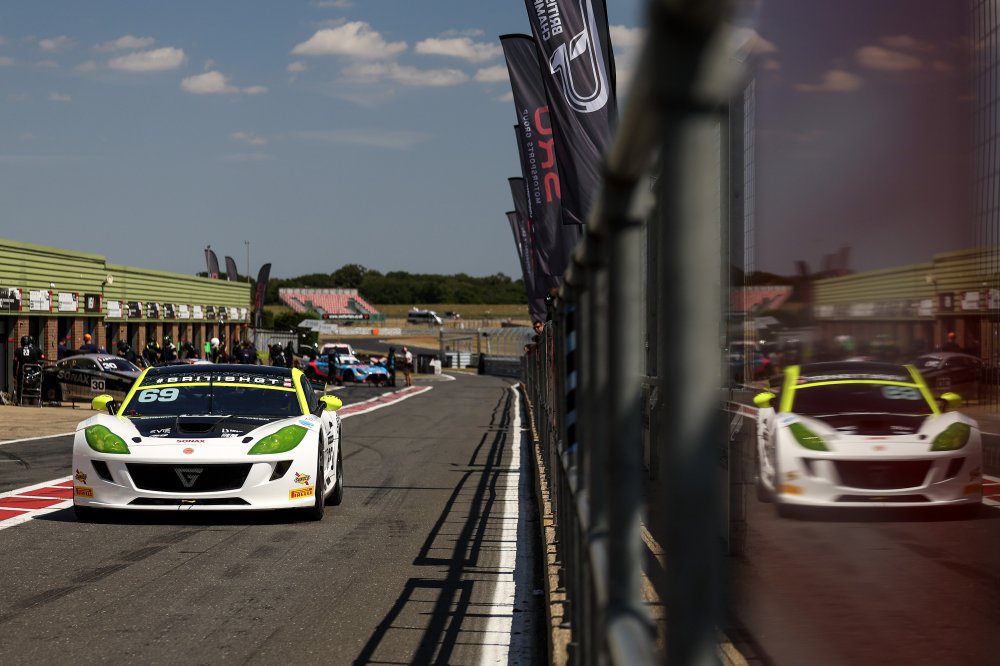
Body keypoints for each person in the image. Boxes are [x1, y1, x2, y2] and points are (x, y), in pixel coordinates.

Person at [13, 335, 43, 404]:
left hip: (22, 372)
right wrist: (36, 372)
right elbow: (36, 363)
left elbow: (15, 362)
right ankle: (33, 400)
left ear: (21, 342)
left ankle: (19, 400)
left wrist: (14, 373)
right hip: (32, 373)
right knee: (33, 386)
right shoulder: (34, 350)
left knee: (20, 386)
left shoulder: (18, 350)